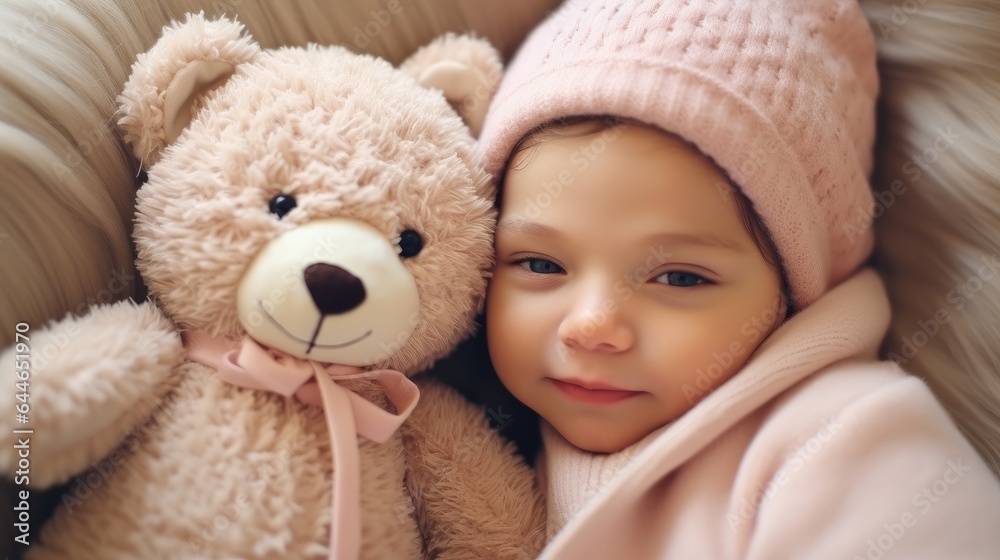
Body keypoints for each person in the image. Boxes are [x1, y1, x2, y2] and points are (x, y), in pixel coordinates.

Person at [477, 0, 1000, 558]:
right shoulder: (473, 438)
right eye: (540, 265)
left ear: (792, 295)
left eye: (678, 278)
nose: (590, 325)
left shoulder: (854, 444)